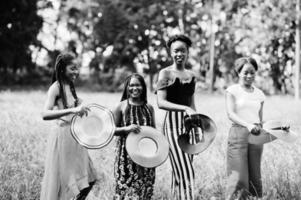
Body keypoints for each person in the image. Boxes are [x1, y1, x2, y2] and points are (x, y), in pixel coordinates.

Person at [40, 52, 97, 200]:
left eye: (77, 68)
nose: (76, 72)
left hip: (76, 137)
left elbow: (72, 109)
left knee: (89, 179)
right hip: (63, 137)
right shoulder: (56, 87)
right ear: (62, 69)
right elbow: (44, 114)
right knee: (65, 183)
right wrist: (73, 109)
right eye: (73, 68)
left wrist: (79, 106)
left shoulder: (70, 85)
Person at [156, 34, 197, 200]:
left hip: (190, 126)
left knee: (180, 170)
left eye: (183, 51)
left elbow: (192, 104)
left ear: (188, 52)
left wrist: (198, 126)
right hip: (172, 127)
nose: (179, 54)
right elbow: (161, 102)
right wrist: (185, 108)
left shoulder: (191, 75)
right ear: (170, 53)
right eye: (176, 51)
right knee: (186, 171)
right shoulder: (165, 73)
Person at [225, 57, 267, 200]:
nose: (249, 76)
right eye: (245, 72)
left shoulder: (260, 94)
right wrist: (247, 125)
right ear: (238, 72)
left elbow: (260, 119)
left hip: (256, 135)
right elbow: (230, 114)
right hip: (238, 133)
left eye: (252, 72)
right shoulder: (232, 90)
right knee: (238, 175)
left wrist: (279, 128)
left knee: (255, 175)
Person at [113, 73, 156, 200]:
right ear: (127, 87)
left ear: (143, 87)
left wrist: (156, 153)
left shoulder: (149, 108)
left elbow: (154, 132)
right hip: (125, 157)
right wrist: (126, 129)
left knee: (144, 190)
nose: (135, 88)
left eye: (138, 85)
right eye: (131, 85)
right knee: (125, 191)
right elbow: (111, 130)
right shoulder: (121, 106)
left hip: (146, 156)